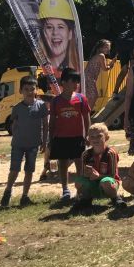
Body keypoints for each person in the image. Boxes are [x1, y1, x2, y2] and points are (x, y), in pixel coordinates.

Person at [1, 76, 48, 207]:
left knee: (29, 171)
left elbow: (45, 125)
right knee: (14, 170)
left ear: (37, 90)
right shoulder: (16, 108)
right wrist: (17, 134)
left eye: (32, 89)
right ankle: (8, 191)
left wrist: (44, 142)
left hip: (33, 145)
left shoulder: (41, 106)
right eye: (26, 89)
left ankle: (25, 196)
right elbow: (13, 125)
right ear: (21, 91)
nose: (29, 92)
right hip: (18, 145)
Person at [48, 68, 91, 203]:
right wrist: (50, 138)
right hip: (60, 138)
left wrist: (88, 135)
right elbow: (52, 122)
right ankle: (65, 190)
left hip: (77, 137)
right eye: (74, 81)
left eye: (77, 82)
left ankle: (80, 190)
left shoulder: (81, 98)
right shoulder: (56, 101)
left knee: (79, 164)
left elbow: (86, 118)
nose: (76, 84)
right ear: (64, 82)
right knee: (63, 164)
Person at [72, 123, 127, 211]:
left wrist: (98, 176)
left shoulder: (111, 153)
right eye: (92, 137)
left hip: (108, 184)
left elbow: (112, 175)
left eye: (99, 136)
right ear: (88, 139)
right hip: (92, 183)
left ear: (106, 138)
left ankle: (116, 199)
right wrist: (87, 174)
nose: (95, 139)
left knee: (106, 182)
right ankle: (85, 200)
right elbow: (82, 174)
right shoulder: (85, 154)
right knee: (79, 181)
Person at [38, 0, 80, 80]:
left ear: (70, 33)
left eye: (60, 27)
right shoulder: (40, 71)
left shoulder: (77, 73)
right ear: (43, 34)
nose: (55, 33)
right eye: (49, 27)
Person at [84, 39, 115, 110]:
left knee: (90, 96)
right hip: (90, 77)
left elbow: (104, 67)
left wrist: (110, 64)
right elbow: (105, 68)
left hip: (87, 77)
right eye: (106, 47)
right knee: (94, 96)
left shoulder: (96, 55)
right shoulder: (101, 55)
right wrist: (111, 64)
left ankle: (86, 111)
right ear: (100, 48)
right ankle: (87, 112)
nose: (108, 49)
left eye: (109, 47)